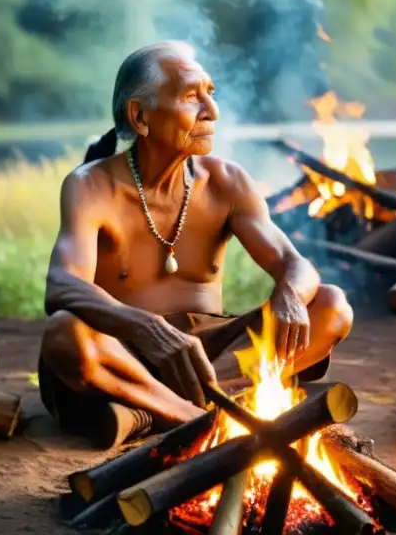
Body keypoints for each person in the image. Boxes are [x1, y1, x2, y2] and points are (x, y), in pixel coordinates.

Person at [38, 41, 355, 448]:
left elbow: (295, 264)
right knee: (65, 333)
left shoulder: (227, 181)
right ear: (140, 116)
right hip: (122, 351)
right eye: (191, 96)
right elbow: (62, 285)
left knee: (330, 305)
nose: (212, 111)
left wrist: (290, 295)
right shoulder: (92, 186)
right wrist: (147, 326)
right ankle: (201, 417)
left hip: (210, 360)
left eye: (211, 92)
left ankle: (147, 411)